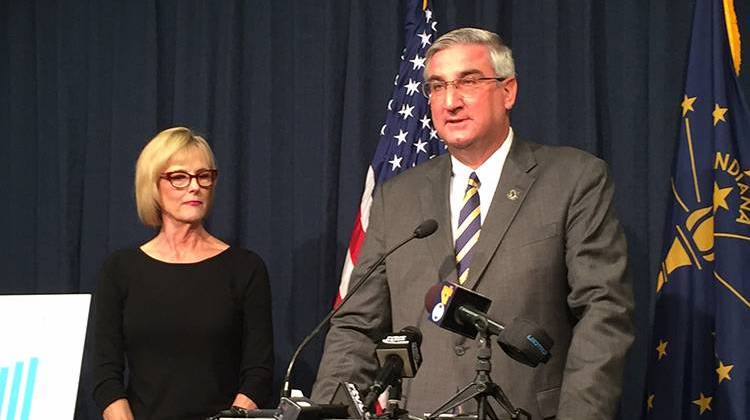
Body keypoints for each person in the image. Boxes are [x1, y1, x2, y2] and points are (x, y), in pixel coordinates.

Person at [312, 28, 634, 419]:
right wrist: (327, 412)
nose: (450, 101)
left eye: (468, 81)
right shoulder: (396, 198)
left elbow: (603, 313)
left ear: (508, 91)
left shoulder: (574, 179)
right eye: (437, 85)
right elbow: (357, 328)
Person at [92, 127, 274, 420]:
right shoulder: (120, 270)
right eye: (179, 177)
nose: (195, 187)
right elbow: (104, 372)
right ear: (152, 185)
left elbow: (258, 372)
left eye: (204, 176)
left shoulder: (245, 268)